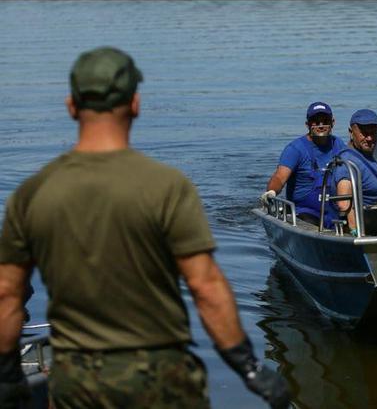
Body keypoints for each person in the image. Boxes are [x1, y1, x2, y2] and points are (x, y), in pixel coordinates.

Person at [0, 47, 289, 408]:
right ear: (135, 104)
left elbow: (7, 295)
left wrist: (9, 375)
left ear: (71, 106)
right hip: (162, 382)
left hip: (77, 385)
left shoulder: (31, 194)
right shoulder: (167, 187)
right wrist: (249, 369)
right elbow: (206, 287)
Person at [262, 100, 347, 227]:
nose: (321, 125)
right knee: (311, 222)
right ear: (307, 124)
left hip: (334, 211)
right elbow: (279, 177)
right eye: (316, 121)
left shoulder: (339, 144)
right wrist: (272, 191)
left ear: (333, 122)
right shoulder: (295, 149)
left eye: (325, 120)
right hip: (305, 213)